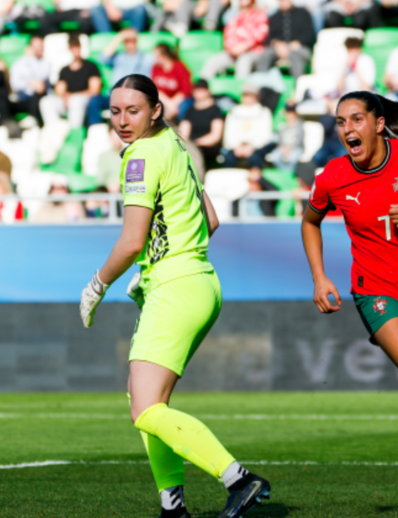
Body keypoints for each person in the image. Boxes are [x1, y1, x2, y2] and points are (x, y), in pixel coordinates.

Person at [78, 73, 271, 518]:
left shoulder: (141, 155)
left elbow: (131, 241)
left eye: (134, 111)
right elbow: (212, 220)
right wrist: (158, 263)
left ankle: (238, 478)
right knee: (145, 402)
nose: (123, 121)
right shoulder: (176, 146)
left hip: (176, 286)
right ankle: (172, 506)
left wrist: (97, 285)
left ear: (155, 111)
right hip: (198, 280)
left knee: (145, 409)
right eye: (115, 111)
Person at [302, 91, 398, 510]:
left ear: (376, 123)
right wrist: (319, 277)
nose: (347, 129)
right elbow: (310, 221)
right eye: (340, 122)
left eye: (355, 119)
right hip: (376, 290)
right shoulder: (333, 176)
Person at [87, 27, 155, 126]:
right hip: (114, 96)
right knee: (94, 101)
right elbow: (102, 58)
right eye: (127, 41)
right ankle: (97, 131)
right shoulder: (118, 57)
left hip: (133, 97)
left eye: (132, 40)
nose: (129, 43)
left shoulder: (146, 58)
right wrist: (120, 37)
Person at [40, 33, 101, 130]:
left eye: (77, 47)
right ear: (69, 49)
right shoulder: (64, 70)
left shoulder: (91, 66)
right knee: (46, 102)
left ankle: (75, 133)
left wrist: (72, 96)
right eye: (73, 47)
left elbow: (94, 90)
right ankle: (55, 131)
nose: (75, 50)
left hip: (83, 100)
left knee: (76, 101)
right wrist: (66, 97)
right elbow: (59, 91)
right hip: (67, 101)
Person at [200, 0, 268, 79]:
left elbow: (261, 35)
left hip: (253, 51)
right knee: (212, 62)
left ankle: (239, 88)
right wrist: (232, 48)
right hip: (232, 52)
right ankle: (202, 87)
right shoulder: (234, 17)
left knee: (244, 61)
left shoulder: (260, 15)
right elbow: (228, 35)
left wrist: (244, 46)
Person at [220, 82, 274, 172]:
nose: (247, 98)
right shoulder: (234, 111)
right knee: (228, 158)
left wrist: (252, 146)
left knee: (255, 158)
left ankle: (257, 183)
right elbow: (228, 133)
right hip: (236, 147)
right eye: (245, 95)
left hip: (256, 147)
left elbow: (266, 135)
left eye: (250, 95)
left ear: (256, 96)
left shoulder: (263, 112)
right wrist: (236, 146)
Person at [256, 0, 314, 79]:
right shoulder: (274, 17)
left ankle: (299, 86)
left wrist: (298, 42)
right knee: (266, 54)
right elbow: (269, 39)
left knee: (293, 55)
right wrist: (277, 44)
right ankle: (261, 84)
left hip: (300, 49)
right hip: (278, 49)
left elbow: (310, 34)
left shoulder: (303, 13)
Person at [178, 79, 225, 169]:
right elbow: (183, 132)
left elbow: (215, 136)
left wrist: (195, 143)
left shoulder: (215, 110)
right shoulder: (190, 111)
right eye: (197, 90)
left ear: (208, 91)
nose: (199, 93)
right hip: (192, 145)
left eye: (202, 90)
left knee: (193, 153)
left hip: (208, 147)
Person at [150, 43, 191, 121]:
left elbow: (185, 90)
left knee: (183, 109)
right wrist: (169, 104)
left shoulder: (179, 67)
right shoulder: (155, 68)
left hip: (180, 100)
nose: (154, 59)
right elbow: (155, 89)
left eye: (156, 56)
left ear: (164, 56)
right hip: (163, 100)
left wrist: (173, 103)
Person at [265, 102, 303, 171]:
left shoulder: (300, 125)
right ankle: (285, 172)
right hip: (283, 148)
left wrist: (290, 149)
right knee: (274, 157)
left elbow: (300, 140)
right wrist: (283, 148)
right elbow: (279, 140)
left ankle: (290, 174)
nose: (290, 114)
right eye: (288, 112)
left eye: (292, 112)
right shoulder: (282, 126)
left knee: (292, 158)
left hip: (296, 148)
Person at [312, 96, 346, 167]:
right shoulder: (325, 116)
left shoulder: (345, 116)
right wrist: (333, 114)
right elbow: (327, 128)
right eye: (332, 101)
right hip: (328, 143)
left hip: (341, 142)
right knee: (317, 157)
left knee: (342, 157)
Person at [95, 124, 123, 192]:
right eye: (113, 137)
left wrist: (118, 183)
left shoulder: (129, 153)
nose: (116, 140)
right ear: (109, 137)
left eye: (118, 137)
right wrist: (109, 187)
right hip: (107, 191)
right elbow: (100, 180)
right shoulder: (103, 156)